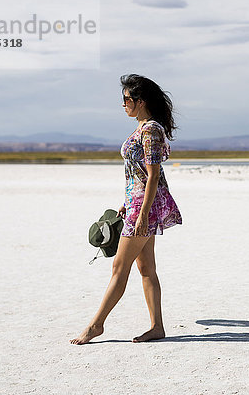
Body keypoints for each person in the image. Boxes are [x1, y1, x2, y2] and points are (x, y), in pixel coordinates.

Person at [70, 74, 183, 345]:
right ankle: (157, 327)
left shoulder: (150, 130)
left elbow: (154, 174)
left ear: (140, 101)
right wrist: (127, 201)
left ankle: (95, 326)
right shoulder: (142, 127)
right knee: (146, 269)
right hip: (136, 204)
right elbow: (140, 174)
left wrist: (142, 213)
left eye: (126, 100)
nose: (123, 105)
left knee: (120, 267)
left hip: (143, 208)